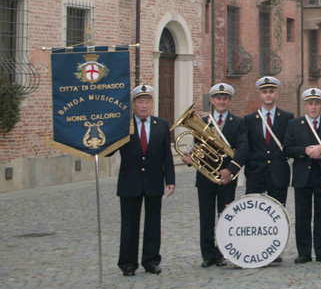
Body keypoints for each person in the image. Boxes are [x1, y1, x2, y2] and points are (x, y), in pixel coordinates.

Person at [183, 83, 243, 268]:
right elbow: (198, 148)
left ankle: (223, 251)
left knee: (225, 215)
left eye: (225, 98)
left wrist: (230, 169)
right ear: (212, 100)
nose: (222, 101)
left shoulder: (238, 122)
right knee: (206, 215)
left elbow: (242, 149)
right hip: (205, 177)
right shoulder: (202, 122)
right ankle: (208, 254)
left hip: (227, 176)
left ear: (230, 101)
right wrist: (191, 158)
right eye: (218, 98)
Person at [117, 84, 175, 276]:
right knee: (129, 224)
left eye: (147, 102)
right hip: (130, 182)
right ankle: (128, 263)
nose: (144, 106)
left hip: (153, 181)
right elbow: (110, 152)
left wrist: (170, 179)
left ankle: (151, 260)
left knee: (153, 223)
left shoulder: (162, 125)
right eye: (140, 102)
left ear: (152, 104)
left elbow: (167, 154)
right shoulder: (123, 126)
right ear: (134, 104)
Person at [283, 88, 321, 264]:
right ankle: (304, 252)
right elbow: (287, 148)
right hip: (302, 174)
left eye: (317, 103)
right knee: (302, 214)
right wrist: (305, 151)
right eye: (310, 104)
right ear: (305, 106)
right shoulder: (295, 124)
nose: (313, 107)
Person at [235, 76, 293, 206]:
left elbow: (290, 144)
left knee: (278, 212)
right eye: (265, 92)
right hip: (255, 173)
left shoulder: (287, 118)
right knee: (253, 212)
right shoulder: (249, 119)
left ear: (277, 94)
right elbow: (246, 146)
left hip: (279, 173)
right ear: (260, 95)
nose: (268, 95)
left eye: (271, 91)